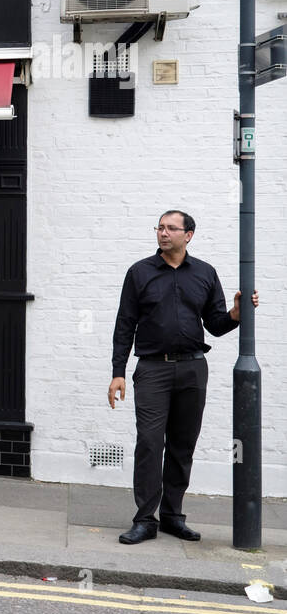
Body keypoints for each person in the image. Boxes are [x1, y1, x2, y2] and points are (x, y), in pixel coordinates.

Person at [109, 210, 258, 545]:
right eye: (159, 227)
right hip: (151, 370)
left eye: (171, 228)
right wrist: (118, 372)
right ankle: (145, 520)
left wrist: (235, 314)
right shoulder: (139, 272)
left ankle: (172, 516)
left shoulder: (205, 273)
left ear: (188, 235)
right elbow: (124, 324)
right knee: (149, 443)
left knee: (182, 444)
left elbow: (216, 324)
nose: (163, 233)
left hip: (192, 368)